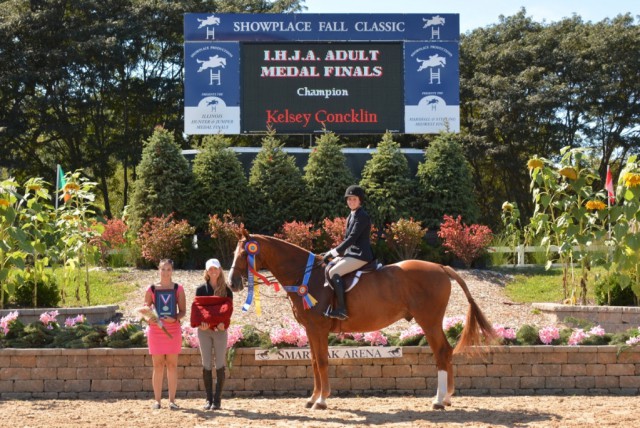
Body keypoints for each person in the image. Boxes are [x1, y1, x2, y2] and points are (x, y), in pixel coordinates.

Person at [323, 185, 375, 320]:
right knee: (328, 266)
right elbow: (347, 239)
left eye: (354, 199)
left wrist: (335, 252)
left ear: (360, 200)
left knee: (334, 272)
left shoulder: (362, 216)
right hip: (351, 253)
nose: (351, 201)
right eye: (349, 199)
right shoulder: (351, 216)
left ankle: (342, 310)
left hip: (360, 255)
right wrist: (333, 252)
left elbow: (352, 238)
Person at [144, 258, 186, 410]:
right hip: (156, 331)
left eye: (168, 269)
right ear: (158, 270)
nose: (166, 272)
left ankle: (172, 401)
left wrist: (173, 318)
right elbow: (146, 310)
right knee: (158, 365)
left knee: (172, 365)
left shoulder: (178, 289)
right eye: (163, 269)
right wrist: (151, 318)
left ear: (172, 271)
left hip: (173, 330)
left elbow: (183, 312)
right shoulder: (152, 289)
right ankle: (157, 401)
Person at [194, 258, 234, 410]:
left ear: (219, 270)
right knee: (206, 364)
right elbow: (198, 311)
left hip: (220, 332)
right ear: (206, 271)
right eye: (210, 269)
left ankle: (217, 401)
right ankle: (208, 399)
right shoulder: (200, 290)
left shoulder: (227, 291)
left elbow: (228, 312)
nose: (213, 271)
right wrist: (200, 324)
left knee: (220, 364)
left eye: (215, 269)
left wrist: (224, 324)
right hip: (204, 332)